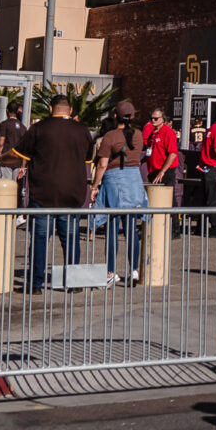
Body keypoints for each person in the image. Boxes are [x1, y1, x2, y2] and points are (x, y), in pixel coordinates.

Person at [15, 95, 93, 292]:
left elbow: (20, 153)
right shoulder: (82, 131)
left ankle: (36, 284)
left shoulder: (39, 129)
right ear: (70, 109)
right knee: (71, 239)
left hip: (43, 194)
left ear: (51, 109)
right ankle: (73, 283)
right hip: (72, 195)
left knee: (40, 239)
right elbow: (88, 159)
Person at [91, 101, 148, 284]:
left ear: (115, 116)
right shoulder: (138, 135)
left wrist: (94, 186)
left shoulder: (110, 136)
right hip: (133, 181)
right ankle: (134, 270)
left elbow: (102, 164)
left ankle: (110, 272)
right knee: (131, 229)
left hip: (114, 181)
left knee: (112, 229)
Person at [144, 109, 183, 208]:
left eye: (156, 118)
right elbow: (152, 152)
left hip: (165, 171)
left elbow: (173, 154)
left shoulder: (168, 132)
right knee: (155, 199)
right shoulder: (153, 133)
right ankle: (157, 222)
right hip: (153, 170)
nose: (153, 121)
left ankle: (174, 223)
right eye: (151, 118)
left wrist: (162, 171)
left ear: (162, 119)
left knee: (169, 199)